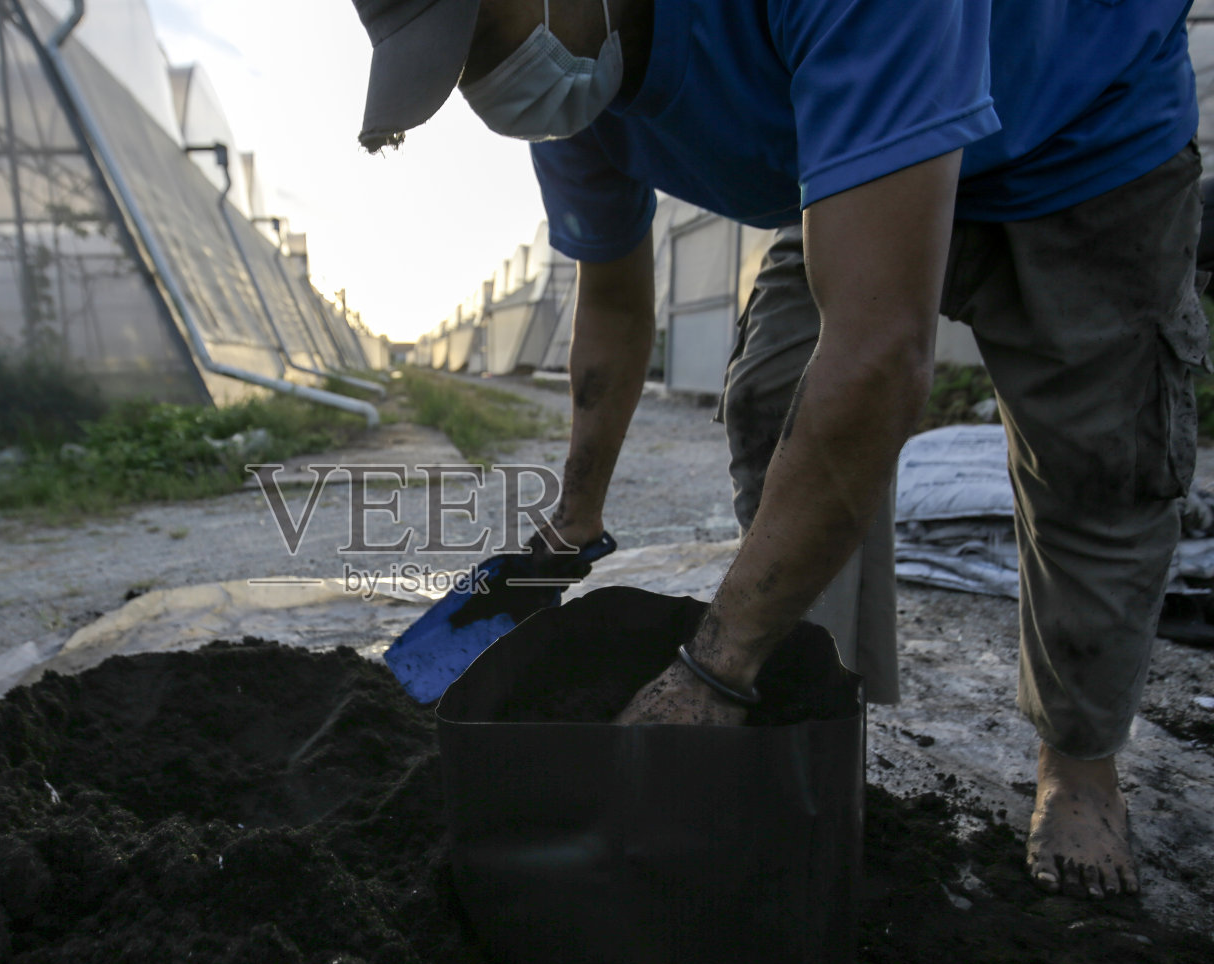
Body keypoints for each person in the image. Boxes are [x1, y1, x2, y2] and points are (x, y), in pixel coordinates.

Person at [348, 0, 1209, 901]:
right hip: (853, 154)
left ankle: (1078, 761)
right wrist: (572, 523)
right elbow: (611, 305)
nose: (488, 91)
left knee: (1100, 457)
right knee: (772, 395)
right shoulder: (579, 96)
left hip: (1074, 127)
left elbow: (880, 358)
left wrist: (706, 666)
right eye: (458, 75)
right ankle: (814, 706)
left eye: (484, 41)